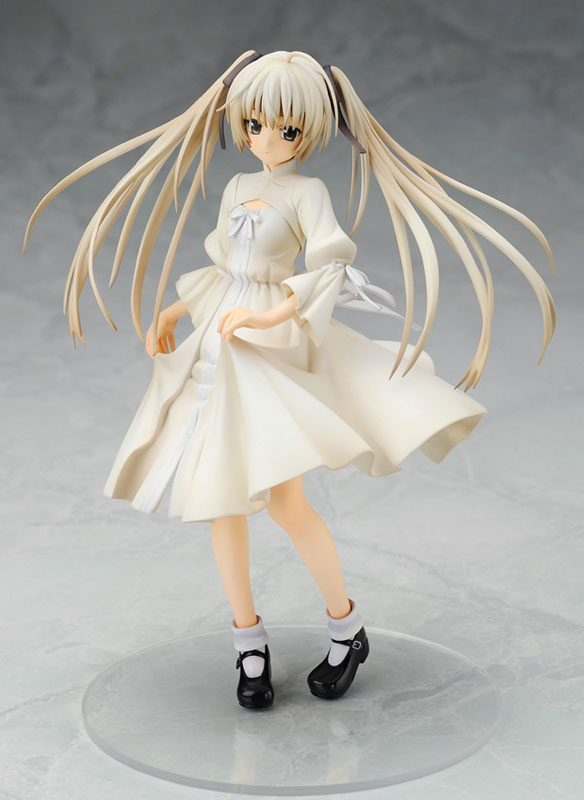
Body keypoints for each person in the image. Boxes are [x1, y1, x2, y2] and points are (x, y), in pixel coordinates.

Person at [24, 50, 555, 710]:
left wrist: (269, 315)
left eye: (286, 128)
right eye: (254, 125)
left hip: (268, 348)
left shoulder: (309, 193)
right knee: (220, 498)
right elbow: (225, 267)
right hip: (218, 341)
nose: (267, 139)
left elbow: (328, 268)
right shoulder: (234, 187)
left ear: (308, 131)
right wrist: (178, 309)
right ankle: (248, 642)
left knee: (285, 502)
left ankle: (347, 629)